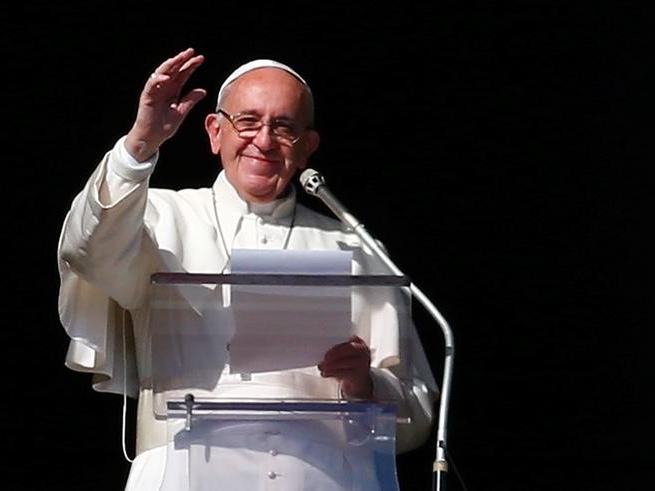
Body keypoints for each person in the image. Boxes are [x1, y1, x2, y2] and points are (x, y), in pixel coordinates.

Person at [57, 47, 439, 490]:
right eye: (248, 121)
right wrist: (139, 145)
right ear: (215, 132)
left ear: (308, 147)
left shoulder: (355, 246)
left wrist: (363, 385)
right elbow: (87, 248)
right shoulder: (156, 217)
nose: (263, 140)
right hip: (183, 470)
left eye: (283, 127)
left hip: (324, 477)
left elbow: (415, 417)